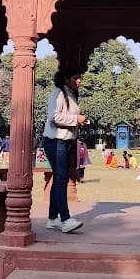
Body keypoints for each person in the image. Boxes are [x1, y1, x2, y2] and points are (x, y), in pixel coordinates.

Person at [42, 69, 86, 234]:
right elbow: (54, 117)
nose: (79, 81)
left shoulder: (71, 94)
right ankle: (66, 219)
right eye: (76, 77)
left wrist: (79, 120)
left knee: (59, 179)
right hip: (56, 141)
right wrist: (76, 119)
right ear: (66, 79)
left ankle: (53, 219)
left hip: (66, 142)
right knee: (61, 179)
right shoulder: (58, 93)